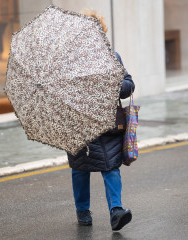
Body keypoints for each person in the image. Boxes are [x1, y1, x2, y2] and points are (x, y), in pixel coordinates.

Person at [66, 10, 135, 231]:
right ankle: (82, 209)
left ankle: (116, 211)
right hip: (80, 125)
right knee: (80, 169)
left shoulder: (112, 57)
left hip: (108, 124)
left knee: (111, 166)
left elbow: (129, 84)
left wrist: (115, 84)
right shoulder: (70, 63)